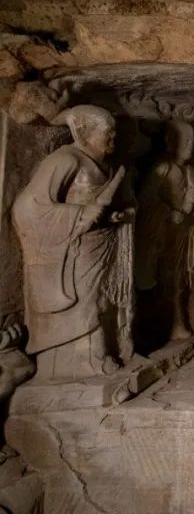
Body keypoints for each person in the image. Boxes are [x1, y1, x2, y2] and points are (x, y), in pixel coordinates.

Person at [13, 105, 134, 380]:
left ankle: (98, 355)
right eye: (108, 134)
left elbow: (107, 207)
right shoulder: (65, 160)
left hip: (99, 244)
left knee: (101, 300)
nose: (113, 140)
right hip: (72, 248)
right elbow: (27, 207)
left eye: (114, 134)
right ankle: (84, 361)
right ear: (85, 133)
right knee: (83, 301)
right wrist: (79, 214)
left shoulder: (110, 166)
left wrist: (113, 216)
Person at [136, 119, 194, 340]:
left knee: (185, 276)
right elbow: (146, 200)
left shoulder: (192, 171)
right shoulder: (163, 168)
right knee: (164, 277)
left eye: (193, 142)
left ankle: (187, 318)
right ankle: (166, 324)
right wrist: (169, 212)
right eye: (186, 141)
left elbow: (193, 205)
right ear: (171, 141)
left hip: (184, 231)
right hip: (163, 231)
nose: (190, 147)